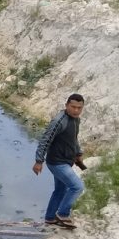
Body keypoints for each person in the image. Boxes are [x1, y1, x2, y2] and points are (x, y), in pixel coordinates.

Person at [32, 93, 87, 228]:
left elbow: (73, 139)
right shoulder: (59, 121)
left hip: (67, 160)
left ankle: (50, 218)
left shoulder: (76, 119)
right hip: (57, 162)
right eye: (73, 107)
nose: (76, 110)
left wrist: (78, 153)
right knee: (77, 186)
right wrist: (39, 161)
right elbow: (45, 140)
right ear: (66, 105)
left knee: (60, 190)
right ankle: (62, 214)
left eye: (79, 108)